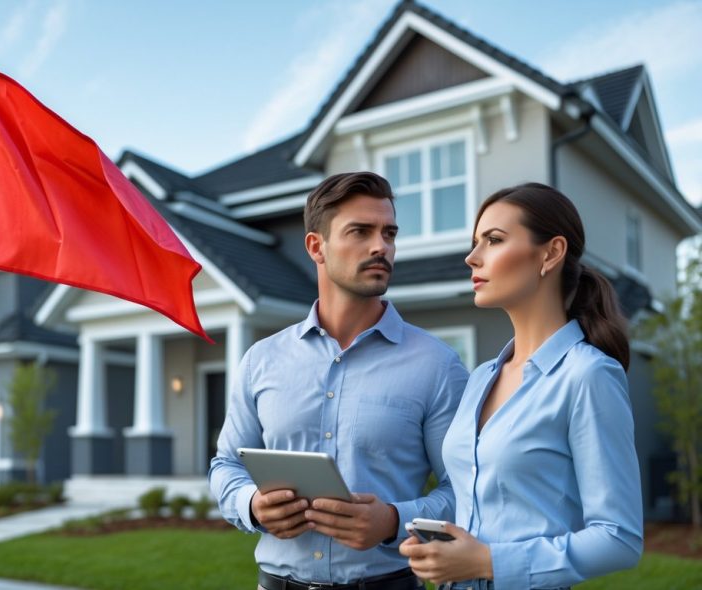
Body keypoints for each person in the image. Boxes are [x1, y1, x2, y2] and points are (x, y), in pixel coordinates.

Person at [209, 172, 469, 590]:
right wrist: (252, 505)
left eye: (389, 233)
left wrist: (392, 521)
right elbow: (226, 466)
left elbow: (467, 491)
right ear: (317, 247)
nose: (380, 246)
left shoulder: (437, 365)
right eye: (360, 232)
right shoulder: (262, 360)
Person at [399, 183, 643, 589]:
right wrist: (438, 545)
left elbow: (619, 538)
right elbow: (472, 500)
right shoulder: (480, 379)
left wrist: (488, 561)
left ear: (551, 253)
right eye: (475, 242)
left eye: (493, 240)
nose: (471, 257)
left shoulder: (588, 376)